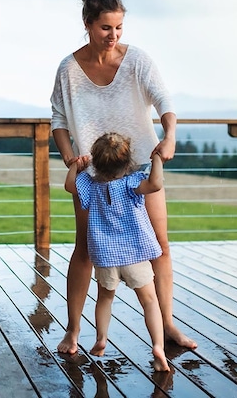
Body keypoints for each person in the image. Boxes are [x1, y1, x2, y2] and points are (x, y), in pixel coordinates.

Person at [50, 0, 197, 354]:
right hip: (92, 177)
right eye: (105, 28)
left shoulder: (137, 60)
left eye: (118, 28)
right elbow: (58, 120)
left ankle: (167, 326)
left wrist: (171, 135)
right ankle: (73, 331)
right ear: (87, 23)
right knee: (84, 250)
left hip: (142, 172)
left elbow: (165, 101)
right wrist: (70, 158)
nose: (113, 35)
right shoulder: (68, 69)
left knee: (159, 246)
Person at [65, 132, 170, 372]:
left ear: (96, 163)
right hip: (135, 256)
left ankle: (101, 338)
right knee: (150, 301)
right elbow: (155, 184)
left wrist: (75, 166)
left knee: (105, 298)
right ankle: (157, 347)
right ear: (127, 162)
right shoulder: (132, 183)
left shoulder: (90, 186)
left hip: (105, 258)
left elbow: (69, 185)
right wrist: (157, 161)